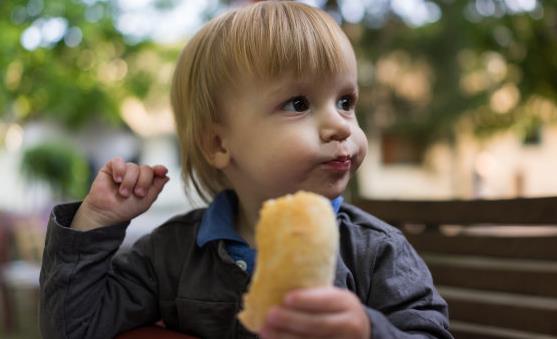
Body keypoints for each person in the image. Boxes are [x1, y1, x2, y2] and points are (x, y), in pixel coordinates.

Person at [39, 2, 453, 339]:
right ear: (220, 144)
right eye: (298, 104)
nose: (341, 125)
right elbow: (73, 327)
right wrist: (94, 223)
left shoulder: (375, 251)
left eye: (346, 101)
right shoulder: (171, 255)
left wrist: (368, 330)